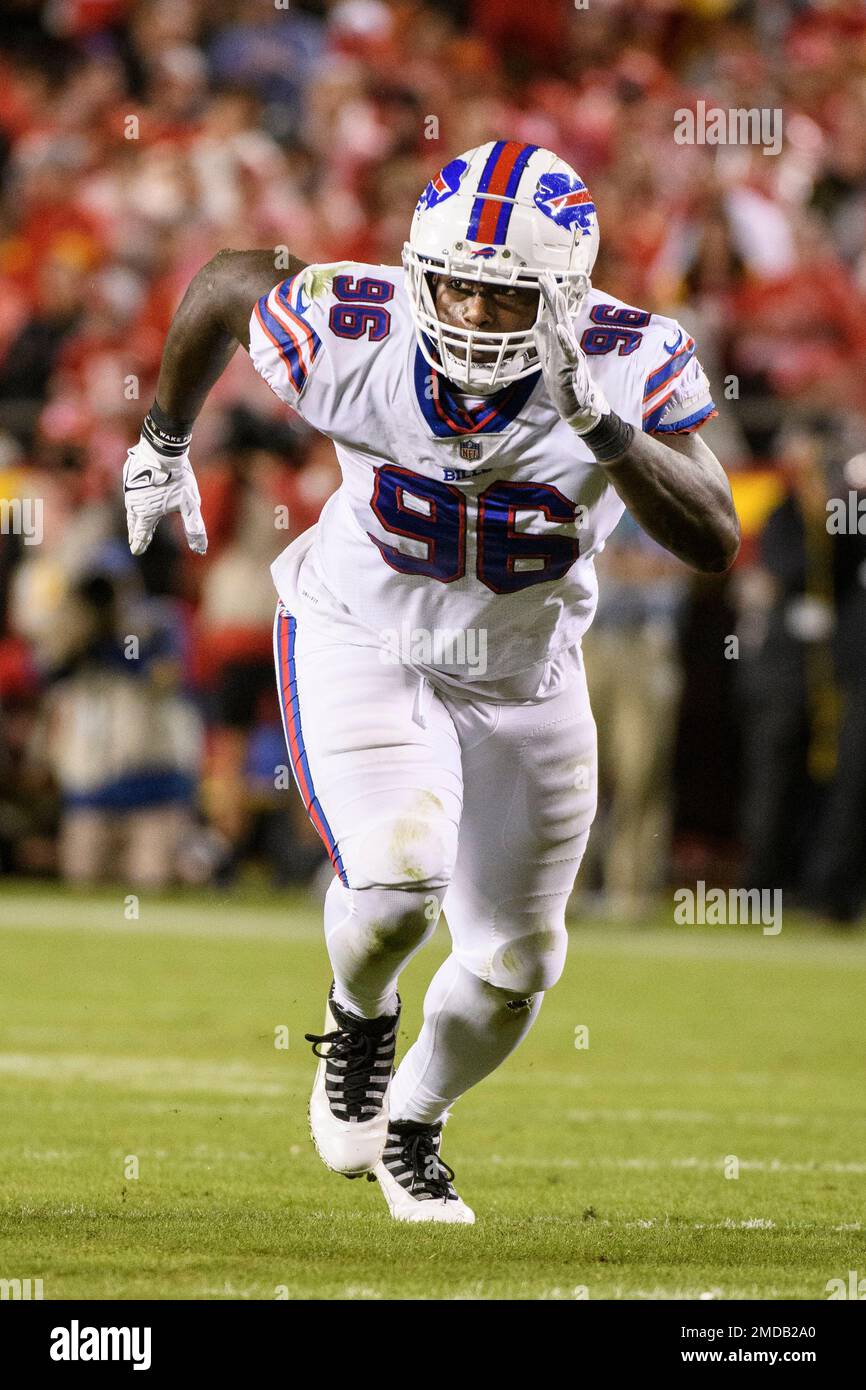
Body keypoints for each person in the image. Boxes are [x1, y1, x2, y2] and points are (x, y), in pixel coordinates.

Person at [122, 142, 739, 1223]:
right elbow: (226, 279)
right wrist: (163, 441)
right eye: (448, 279)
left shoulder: (629, 360)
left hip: (524, 672)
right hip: (364, 635)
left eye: (498, 295)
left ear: (558, 297)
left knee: (516, 963)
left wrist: (603, 428)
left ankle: (413, 1124)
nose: (462, 308)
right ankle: (358, 1017)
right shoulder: (352, 331)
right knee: (400, 878)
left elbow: (714, 534)